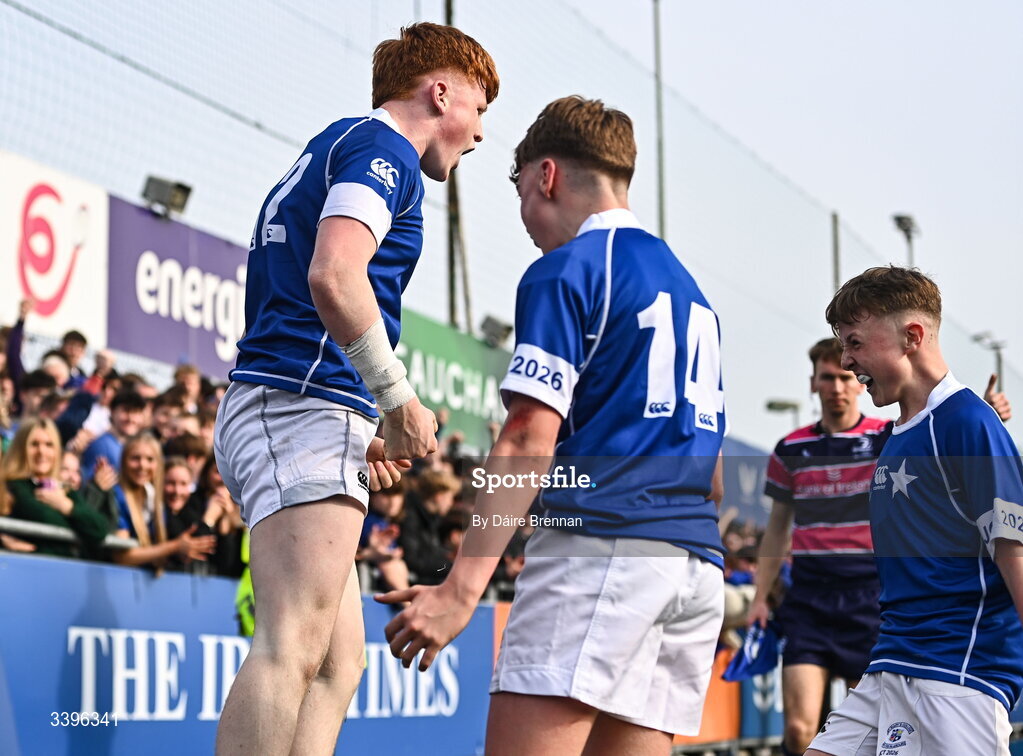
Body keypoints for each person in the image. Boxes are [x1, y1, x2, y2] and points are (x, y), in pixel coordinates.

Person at [377, 96, 727, 756]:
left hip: (602, 549)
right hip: (691, 567)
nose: (526, 221)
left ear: (546, 176)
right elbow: (709, 472)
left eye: (520, 194)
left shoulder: (568, 268)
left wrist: (460, 589)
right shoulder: (689, 290)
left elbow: (524, 440)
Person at [212, 22, 498, 756]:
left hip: (301, 404)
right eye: (479, 110)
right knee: (292, 647)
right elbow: (333, 275)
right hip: (294, 403)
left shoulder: (342, 144)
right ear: (441, 93)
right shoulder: (382, 151)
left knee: (340, 661)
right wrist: (399, 399)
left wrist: (356, 418)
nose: (478, 136)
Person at [749, 338, 1013, 756]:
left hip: (870, 596)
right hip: (809, 597)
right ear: (812, 384)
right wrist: (760, 597)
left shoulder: (887, 436)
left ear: (856, 383)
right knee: (800, 731)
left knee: (885, 738)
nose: (836, 385)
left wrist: (982, 414)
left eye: (843, 376)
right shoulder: (791, 449)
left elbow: (936, 441)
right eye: (826, 378)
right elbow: (777, 528)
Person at [805, 266, 1023, 756]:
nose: (846, 360)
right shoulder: (899, 434)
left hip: (958, 674)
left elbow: (1014, 549)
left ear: (912, 336)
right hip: (892, 664)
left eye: (855, 343)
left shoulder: (967, 422)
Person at [2, 418, 110, 558]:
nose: (42, 451)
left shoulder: (64, 490)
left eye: (49, 445)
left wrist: (65, 506)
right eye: (34, 444)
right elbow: (49, 520)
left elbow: (100, 529)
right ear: (21, 448)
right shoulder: (9, 487)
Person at [110, 433, 217, 570]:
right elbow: (122, 556)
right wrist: (175, 546)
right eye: (135, 458)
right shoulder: (117, 495)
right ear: (123, 461)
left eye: (150, 459)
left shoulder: (154, 499)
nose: (143, 465)